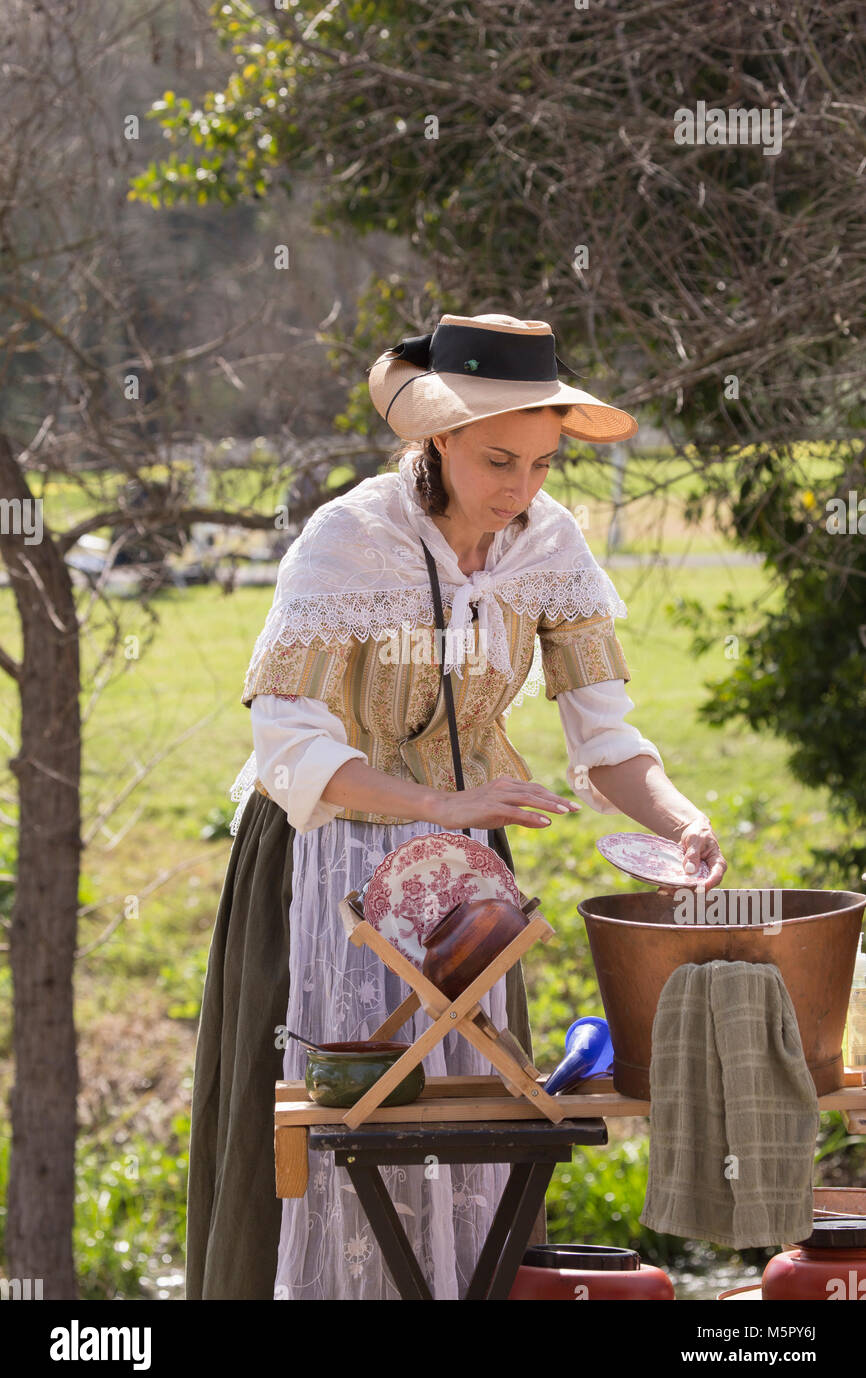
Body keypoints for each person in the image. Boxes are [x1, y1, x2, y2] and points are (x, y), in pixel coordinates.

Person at [185, 311, 727, 1301]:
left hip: (464, 893)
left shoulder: (546, 546)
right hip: (321, 863)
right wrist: (448, 797)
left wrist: (678, 819)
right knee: (332, 1139)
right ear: (436, 437)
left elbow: (602, 742)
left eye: (543, 463)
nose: (520, 488)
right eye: (496, 460)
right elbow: (293, 747)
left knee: (469, 1129)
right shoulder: (346, 540)